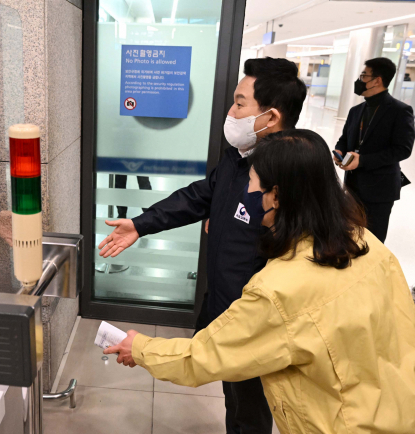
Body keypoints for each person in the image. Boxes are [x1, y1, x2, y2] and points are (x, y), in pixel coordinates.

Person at [105, 129, 415, 434]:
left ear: (277, 196)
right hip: (398, 411)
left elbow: (205, 357)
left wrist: (141, 348)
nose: (247, 194)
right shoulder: (369, 245)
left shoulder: (279, 289)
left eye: (253, 186)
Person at [98, 57, 307, 434]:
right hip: (225, 301)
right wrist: (141, 225)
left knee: (249, 405)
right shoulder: (240, 158)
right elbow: (200, 195)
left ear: (271, 117)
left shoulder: (288, 177)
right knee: (234, 395)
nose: (231, 111)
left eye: (241, 103)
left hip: (254, 320)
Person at [334, 57, 415, 243]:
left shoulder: (400, 111)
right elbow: (345, 139)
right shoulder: (356, 110)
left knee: (372, 241)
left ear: (377, 80)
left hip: (380, 189)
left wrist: (362, 160)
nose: (359, 80)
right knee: (349, 237)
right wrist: (339, 152)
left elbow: (402, 149)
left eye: (364, 75)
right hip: (352, 186)